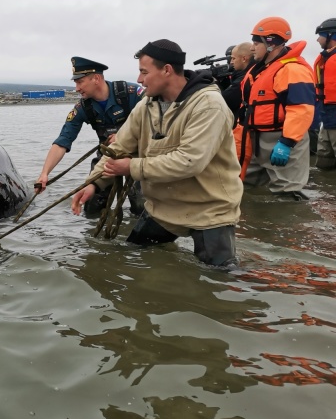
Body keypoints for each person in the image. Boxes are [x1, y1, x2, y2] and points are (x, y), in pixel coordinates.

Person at [71, 40, 242, 267]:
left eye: (144, 72)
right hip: (164, 208)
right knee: (135, 257)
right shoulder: (146, 106)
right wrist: (93, 183)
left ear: (167, 70)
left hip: (210, 211)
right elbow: (117, 149)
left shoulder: (210, 105)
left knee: (219, 278)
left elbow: (189, 162)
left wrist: (130, 167)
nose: (140, 79)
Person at [35, 56, 144, 215]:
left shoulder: (131, 93)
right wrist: (44, 173)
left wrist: (124, 135)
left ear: (96, 79)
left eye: (80, 82)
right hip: (107, 157)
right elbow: (63, 141)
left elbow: (159, 122)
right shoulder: (82, 108)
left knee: (142, 207)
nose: (77, 88)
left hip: (138, 156)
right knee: (91, 205)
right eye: (75, 83)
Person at [242, 17, 316, 199]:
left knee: (287, 194)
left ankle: (292, 226)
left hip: (283, 139)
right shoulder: (263, 69)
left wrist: (287, 142)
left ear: (271, 44)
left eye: (256, 43)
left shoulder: (292, 69)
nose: (252, 48)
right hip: (257, 137)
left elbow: (301, 109)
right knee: (245, 187)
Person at [222, 42, 255, 174]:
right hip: (246, 129)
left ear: (244, 58)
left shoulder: (244, 78)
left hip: (246, 130)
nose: (231, 62)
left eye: (233, 58)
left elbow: (225, 100)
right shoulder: (245, 75)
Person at [313, 18, 336, 169]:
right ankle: (326, 190)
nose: (317, 39)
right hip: (326, 113)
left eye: (320, 35)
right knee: (323, 158)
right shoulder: (325, 58)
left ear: (330, 35)